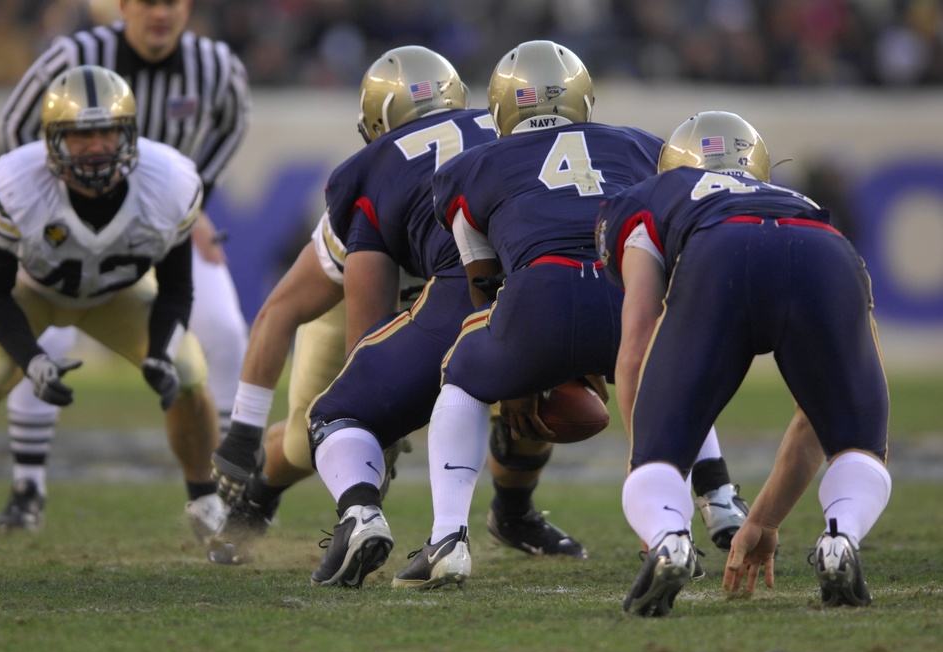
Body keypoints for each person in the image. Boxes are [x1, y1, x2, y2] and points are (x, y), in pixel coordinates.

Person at [209, 45, 594, 574]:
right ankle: (256, 495)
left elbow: (275, 312)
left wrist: (241, 431)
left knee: (525, 389)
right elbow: (318, 324)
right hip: (387, 305)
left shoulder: (396, 167)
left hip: (464, 290)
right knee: (310, 439)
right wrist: (247, 439)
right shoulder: (474, 152)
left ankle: (512, 512)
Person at [391, 40, 747, 590]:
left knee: (459, 379)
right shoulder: (638, 146)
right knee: (669, 373)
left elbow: (483, 281)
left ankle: (447, 539)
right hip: (623, 287)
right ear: (582, 98)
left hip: (542, 289)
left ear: (501, 107)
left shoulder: (470, 167)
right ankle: (718, 501)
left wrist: (516, 372)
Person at [595, 110, 891, 616]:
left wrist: (647, 460)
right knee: (857, 444)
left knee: (658, 457)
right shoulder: (805, 204)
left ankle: (670, 540)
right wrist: (766, 520)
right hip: (826, 252)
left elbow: (638, 344)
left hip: (720, 250)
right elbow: (810, 421)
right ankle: (840, 538)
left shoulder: (649, 199)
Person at [0, 65, 227, 549]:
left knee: (186, 368)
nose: (96, 147)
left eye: (106, 131)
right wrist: (30, 359)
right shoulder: (16, 182)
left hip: (115, 298)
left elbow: (177, 288)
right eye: (80, 135)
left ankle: (205, 498)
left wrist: (158, 351)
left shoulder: (170, 181)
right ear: (53, 140)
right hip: (30, 294)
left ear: (129, 134)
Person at [0, 0, 249, 531]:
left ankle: (223, 483)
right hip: (72, 222)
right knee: (42, 334)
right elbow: (16, 123)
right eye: (148, 2)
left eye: (172, 2)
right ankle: (28, 484)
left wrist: (195, 200)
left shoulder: (216, 64)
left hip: (159, 226)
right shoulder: (75, 54)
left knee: (223, 328)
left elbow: (234, 121)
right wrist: (48, 201)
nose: (160, 13)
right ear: (124, 6)